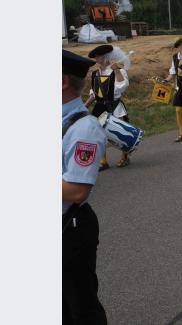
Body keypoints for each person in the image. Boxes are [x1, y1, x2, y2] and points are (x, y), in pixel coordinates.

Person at [63, 50, 109, 325]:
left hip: (70, 229)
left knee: (79, 308)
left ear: (63, 82)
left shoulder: (84, 129)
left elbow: (78, 190)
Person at [84, 45, 130, 170]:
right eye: (96, 57)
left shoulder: (119, 71)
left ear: (107, 57)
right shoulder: (95, 74)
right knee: (98, 134)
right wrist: (85, 106)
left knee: (119, 133)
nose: (97, 59)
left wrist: (116, 70)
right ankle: (103, 161)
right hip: (99, 107)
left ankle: (125, 156)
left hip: (114, 105)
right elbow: (94, 93)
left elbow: (122, 86)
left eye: (99, 56)